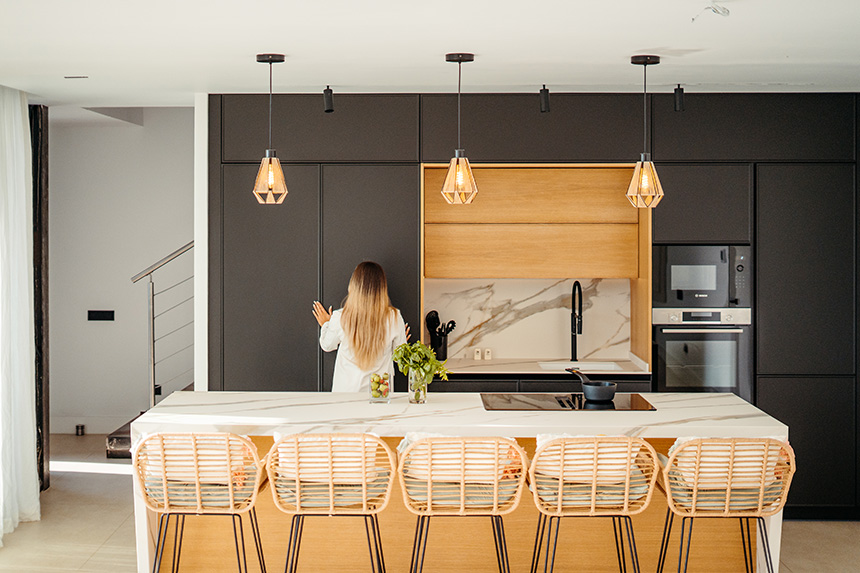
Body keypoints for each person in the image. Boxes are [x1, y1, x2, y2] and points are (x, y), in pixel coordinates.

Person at [312, 261, 409, 392]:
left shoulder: (340, 317)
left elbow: (327, 345)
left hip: (345, 394)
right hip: (379, 393)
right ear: (382, 288)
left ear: (353, 286)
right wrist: (401, 343)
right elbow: (401, 360)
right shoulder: (394, 317)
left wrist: (326, 324)